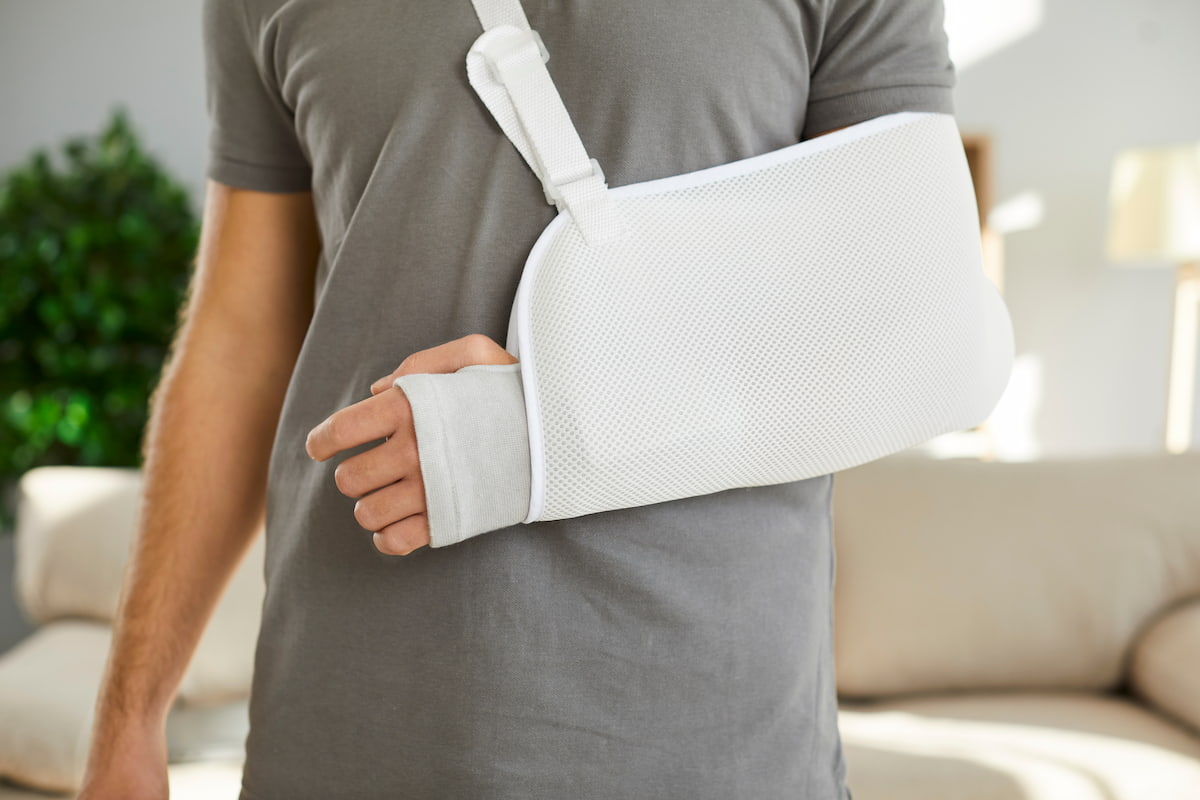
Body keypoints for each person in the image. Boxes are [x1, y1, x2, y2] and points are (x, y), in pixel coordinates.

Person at [79, 1, 956, 797]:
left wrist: (532, 424)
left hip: (711, 743)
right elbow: (238, 341)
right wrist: (127, 720)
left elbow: (909, 317)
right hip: (345, 728)